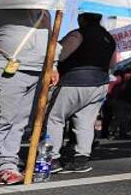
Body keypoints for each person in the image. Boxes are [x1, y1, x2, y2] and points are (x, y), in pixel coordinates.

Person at [0, 9, 56, 187]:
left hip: (37, 69)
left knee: (19, 122)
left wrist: (54, 64)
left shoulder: (45, 7)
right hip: (6, 65)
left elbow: (50, 37)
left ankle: (6, 166)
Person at [44, 12, 117, 173]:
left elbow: (60, 55)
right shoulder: (109, 38)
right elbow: (113, 63)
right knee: (85, 122)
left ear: (82, 19)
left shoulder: (78, 34)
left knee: (54, 118)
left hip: (74, 81)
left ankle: (52, 159)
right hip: (100, 83)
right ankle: (81, 159)